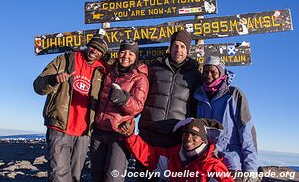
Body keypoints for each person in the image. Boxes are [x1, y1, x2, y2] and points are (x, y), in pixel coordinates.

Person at [33, 34, 107, 182]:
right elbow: (38, 86)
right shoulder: (65, 60)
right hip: (60, 127)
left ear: (102, 54)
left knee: (75, 176)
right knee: (58, 175)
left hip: (84, 133)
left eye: (99, 50)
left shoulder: (102, 70)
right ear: (88, 45)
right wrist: (53, 79)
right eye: (93, 46)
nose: (94, 51)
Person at [90, 39, 149, 182]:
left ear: (136, 57)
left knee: (113, 177)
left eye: (131, 53)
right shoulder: (110, 73)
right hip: (99, 131)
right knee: (96, 175)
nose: (126, 56)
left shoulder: (140, 78)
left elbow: (138, 107)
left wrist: (123, 99)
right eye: (123, 52)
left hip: (119, 133)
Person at [193, 56, 258, 176]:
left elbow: (247, 131)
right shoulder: (198, 97)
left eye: (213, 72)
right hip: (205, 161)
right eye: (206, 71)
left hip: (230, 163)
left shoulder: (233, 94)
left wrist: (251, 168)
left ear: (221, 72)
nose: (209, 75)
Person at [138, 29, 203, 148]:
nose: (178, 50)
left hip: (176, 135)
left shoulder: (195, 75)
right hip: (149, 132)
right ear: (171, 48)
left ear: (187, 50)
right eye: (175, 46)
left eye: (182, 46)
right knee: (143, 166)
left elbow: (196, 107)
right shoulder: (155, 68)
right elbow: (141, 95)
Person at [118, 118, 234, 182]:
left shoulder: (213, 166)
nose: (188, 138)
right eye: (185, 134)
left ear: (203, 140)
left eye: (194, 135)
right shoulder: (173, 156)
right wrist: (130, 136)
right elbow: (148, 154)